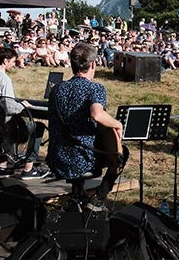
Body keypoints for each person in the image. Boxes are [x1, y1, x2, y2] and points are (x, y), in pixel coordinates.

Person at [46, 43, 125, 208]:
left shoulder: (57, 89)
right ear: (93, 64)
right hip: (82, 160)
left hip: (56, 158)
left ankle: (78, 191)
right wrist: (117, 124)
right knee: (121, 154)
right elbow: (97, 114)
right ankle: (99, 198)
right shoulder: (95, 88)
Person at [0, 47, 49, 180]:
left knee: (15, 123)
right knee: (37, 127)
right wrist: (22, 105)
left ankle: (2, 165)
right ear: (5, 61)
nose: (13, 65)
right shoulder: (4, 79)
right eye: (13, 62)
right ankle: (28, 168)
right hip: (1, 127)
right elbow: (9, 107)